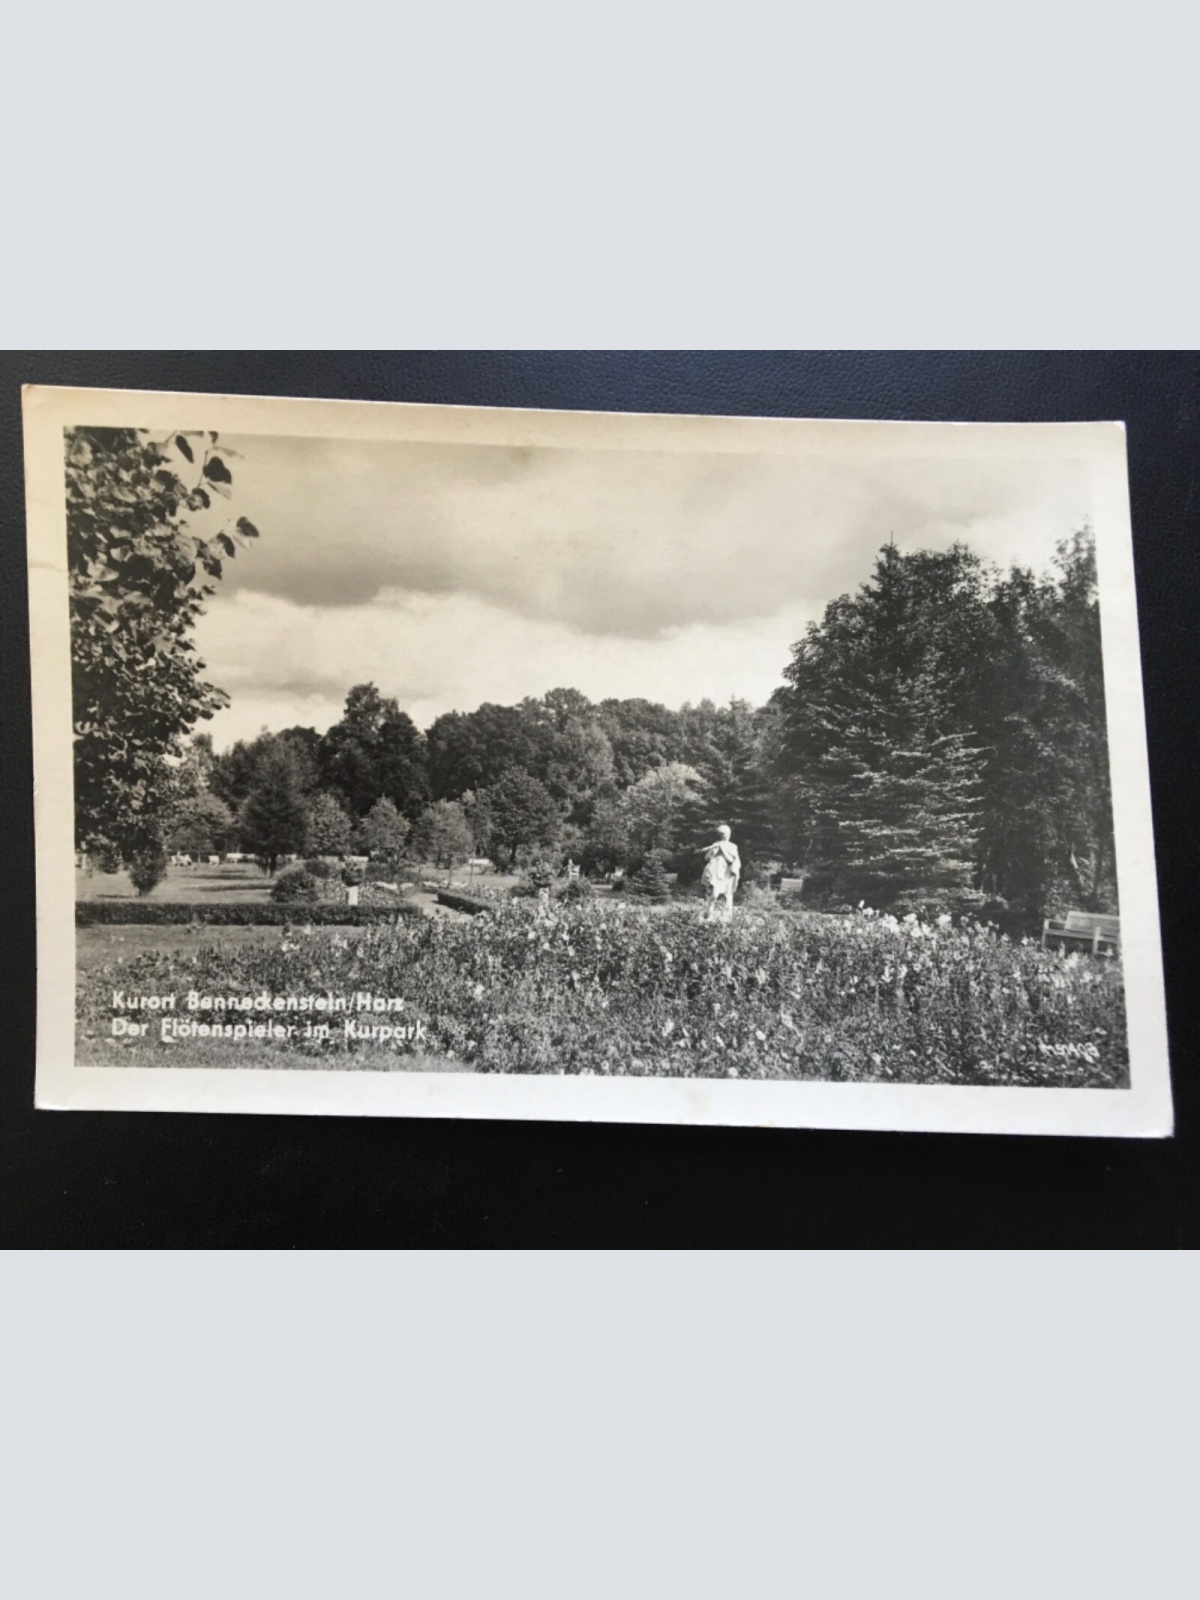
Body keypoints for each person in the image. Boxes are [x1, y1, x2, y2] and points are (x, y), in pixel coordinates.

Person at [700, 825, 741, 919]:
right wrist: (714, 849)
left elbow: (707, 857)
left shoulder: (730, 846)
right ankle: (710, 914)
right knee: (714, 892)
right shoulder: (720, 845)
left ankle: (725, 916)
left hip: (726, 871)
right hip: (717, 869)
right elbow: (707, 857)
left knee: (726, 893)